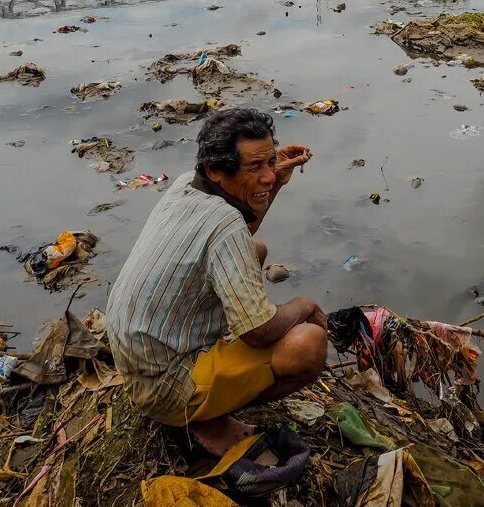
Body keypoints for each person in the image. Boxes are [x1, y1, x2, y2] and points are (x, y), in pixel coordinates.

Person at [107, 108, 327, 455]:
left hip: (140, 365)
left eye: (270, 162)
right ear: (214, 169)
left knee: (255, 250)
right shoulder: (223, 221)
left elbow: (242, 232)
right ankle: (207, 417)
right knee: (308, 344)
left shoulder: (185, 186)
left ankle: (207, 400)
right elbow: (258, 333)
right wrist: (303, 306)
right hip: (168, 389)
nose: (268, 176)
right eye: (255, 167)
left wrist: (275, 180)